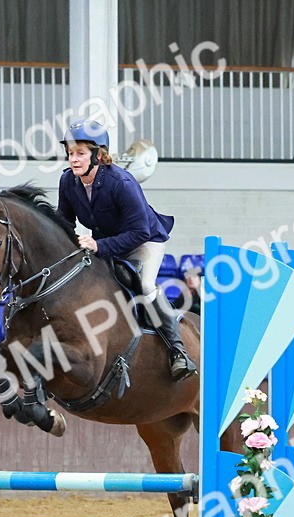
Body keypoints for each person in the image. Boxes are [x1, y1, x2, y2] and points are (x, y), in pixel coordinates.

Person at [56, 119, 196, 381]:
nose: (73, 159)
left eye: (80, 154)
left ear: (99, 155)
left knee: (143, 285)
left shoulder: (122, 182)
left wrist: (98, 245)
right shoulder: (68, 182)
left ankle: (178, 351)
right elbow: (63, 221)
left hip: (144, 240)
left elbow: (140, 231)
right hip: (106, 242)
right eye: (70, 153)